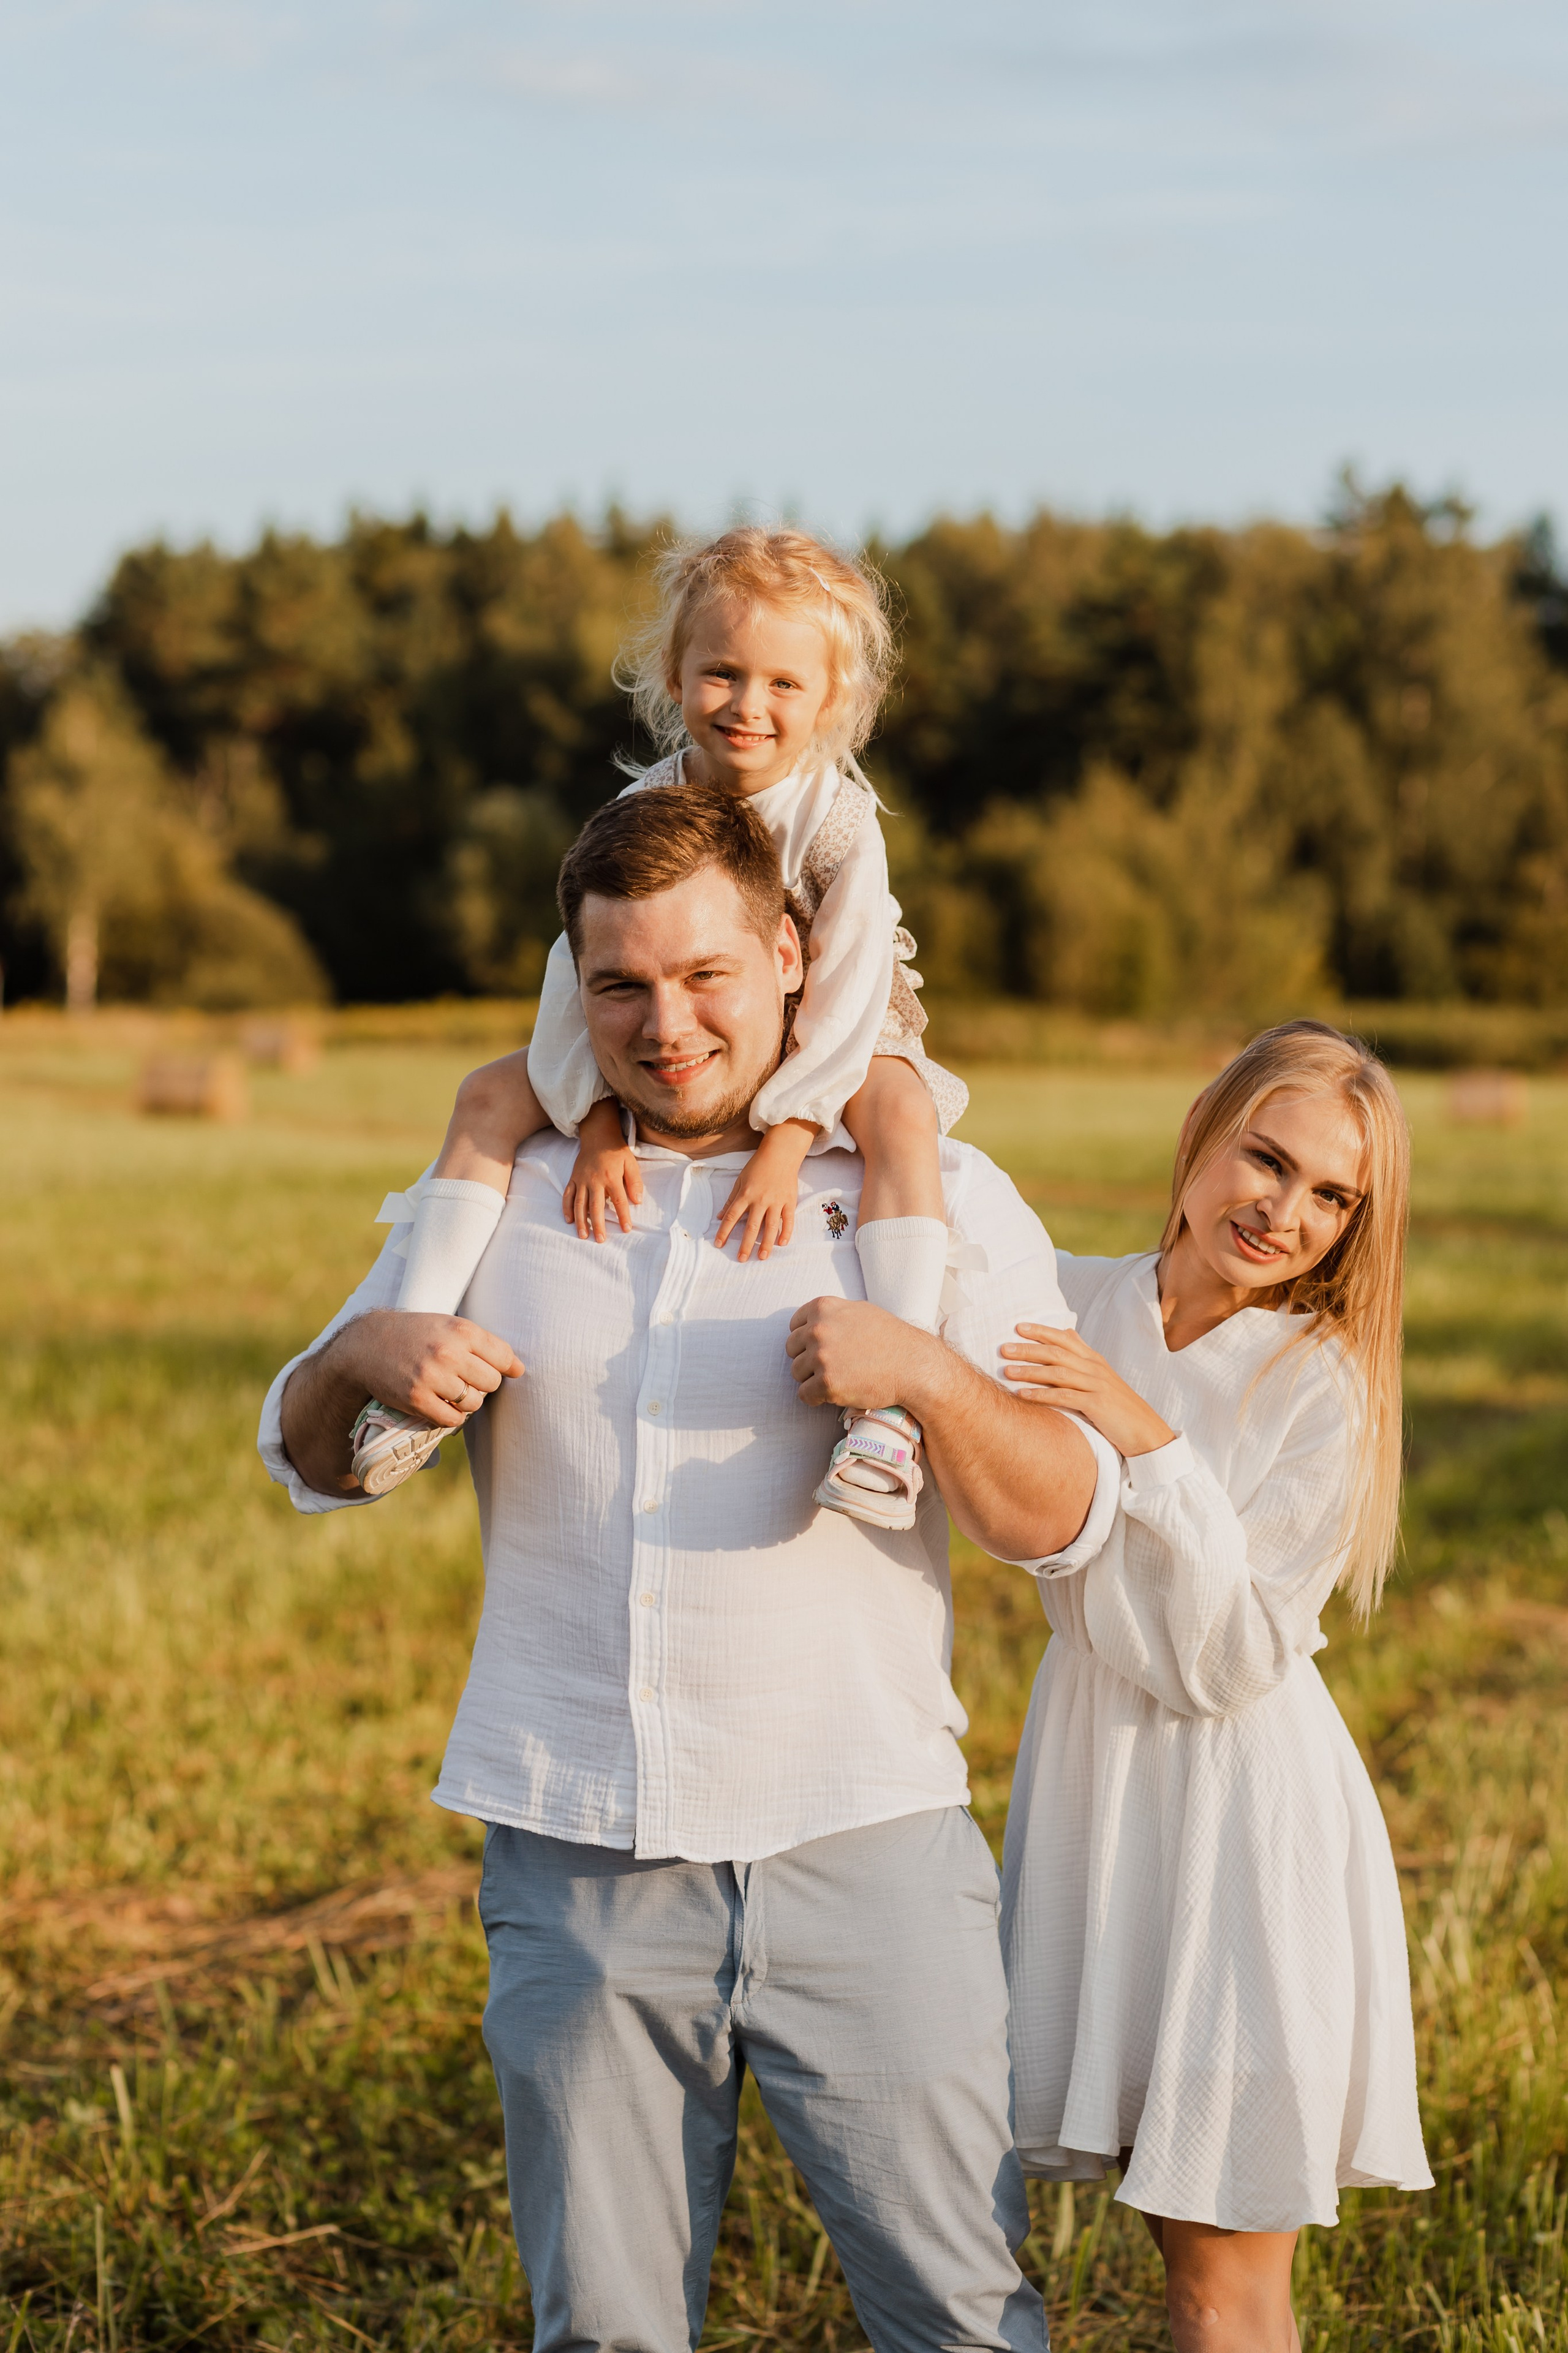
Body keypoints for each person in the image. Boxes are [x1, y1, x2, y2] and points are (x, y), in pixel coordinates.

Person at [259, 781, 1121, 2353]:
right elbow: (314, 1456)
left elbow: (1064, 1508)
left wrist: (923, 1376)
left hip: (861, 1842)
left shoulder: (923, 1194)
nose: (665, 1025)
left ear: (792, 954)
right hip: (576, 1854)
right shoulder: (507, 1197)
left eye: (707, 973)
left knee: (956, 2319)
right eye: (620, 985)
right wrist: (359, 1353)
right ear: (570, 984)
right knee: (603, 2335)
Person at [350, 526, 965, 1532]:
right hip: (663, 1032)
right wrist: (593, 1123)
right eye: (722, 672)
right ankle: (409, 1352)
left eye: (784, 685)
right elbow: (575, 975)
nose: (749, 705)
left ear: (831, 702)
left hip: (836, 1034)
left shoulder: (841, 823)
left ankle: (887, 1408)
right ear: (674, 676)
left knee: (900, 1116)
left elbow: (851, 983)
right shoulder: (644, 803)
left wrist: (791, 1137)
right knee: (486, 1097)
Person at [996, 1021, 1433, 2353]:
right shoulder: (1067, 1297)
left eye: (1330, 1196)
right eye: (1265, 1157)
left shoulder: (1322, 1384)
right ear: (1199, 1132)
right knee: (1144, 2234)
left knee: (1220, 2278)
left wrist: (1142, 1435)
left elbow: (1233, 1653)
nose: (1283, 1211)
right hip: (1093, 1784)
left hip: (1242, 1820)